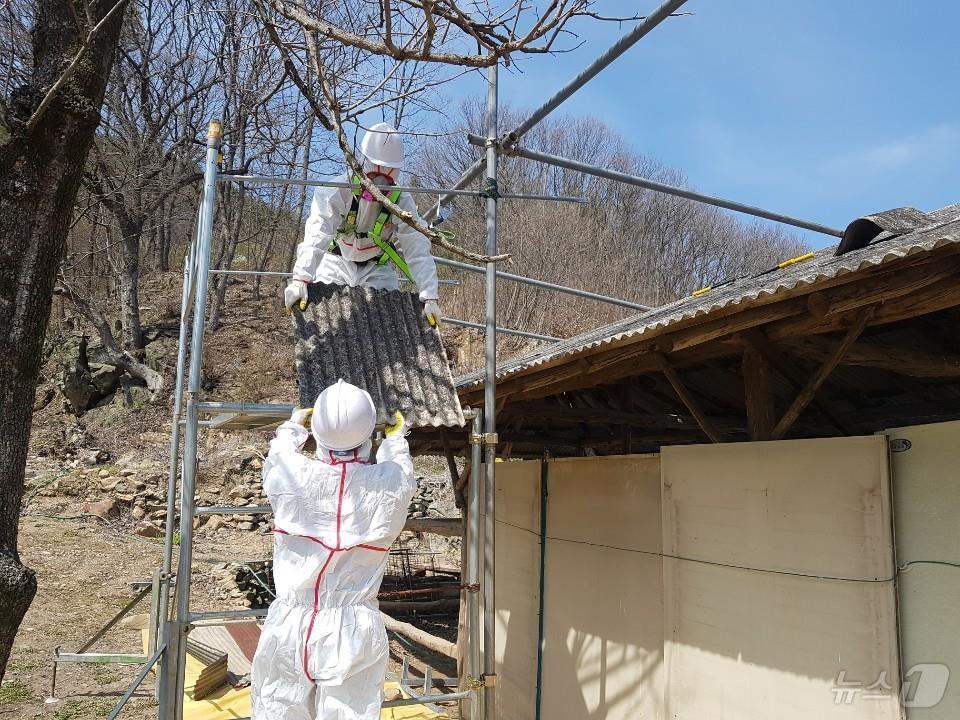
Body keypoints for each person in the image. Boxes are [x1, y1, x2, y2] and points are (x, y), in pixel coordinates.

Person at [250, 379, 417, 720]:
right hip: (353, 626)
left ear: (318, 434)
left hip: (290, 624)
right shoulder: (389, 487)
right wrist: (396, 439)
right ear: (369, 432)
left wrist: (293, 427)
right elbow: (401, 472)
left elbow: (278, 457)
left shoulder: (294, 476)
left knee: (277, 710)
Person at [284, 122, 442, 326]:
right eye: (375, 176)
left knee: (388, 323)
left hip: (376, 268)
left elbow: (417, 247)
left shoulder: (400, 200)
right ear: (363, 164)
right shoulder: (337, 190)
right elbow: (318, 231)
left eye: (385, 178)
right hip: (335, 263)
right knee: (323, 315)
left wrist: (430, 296)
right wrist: (301, 278)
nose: (379, 185)